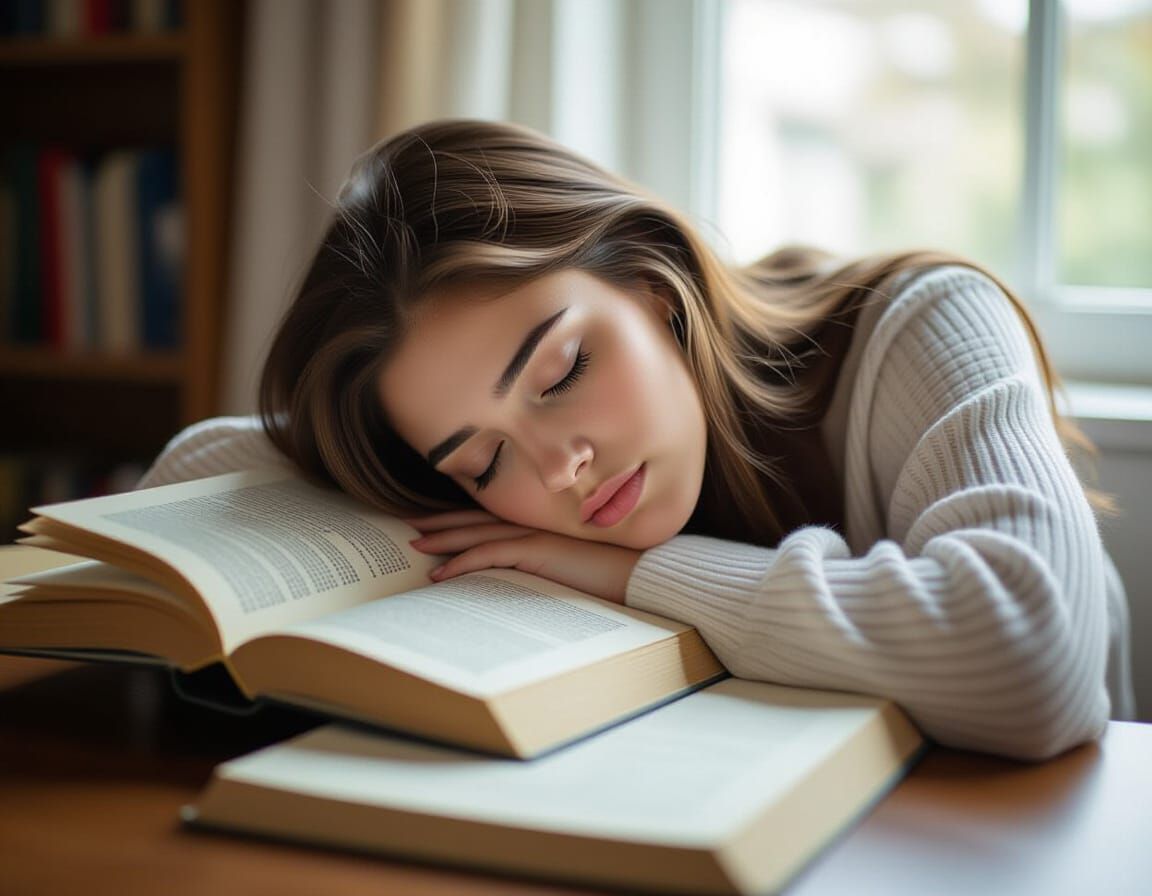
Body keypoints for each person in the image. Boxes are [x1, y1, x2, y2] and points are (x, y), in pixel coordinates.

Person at [140, 118, 1135, 760]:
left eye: (561, 370)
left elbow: (1030, 660)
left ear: (655, 287)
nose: (557, 467)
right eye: (480, 459)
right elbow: (196, 470)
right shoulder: (488, 501)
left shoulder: (919, 325)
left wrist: (630, 571)